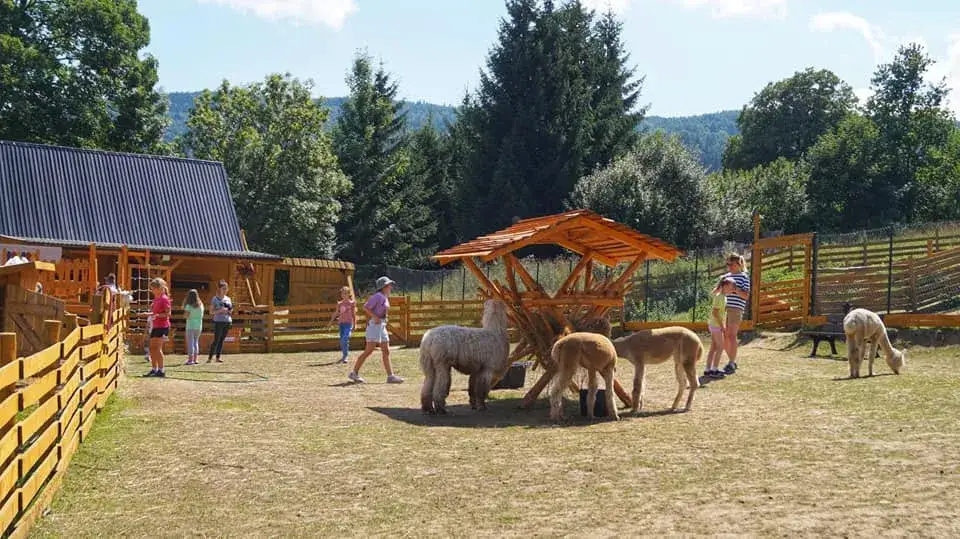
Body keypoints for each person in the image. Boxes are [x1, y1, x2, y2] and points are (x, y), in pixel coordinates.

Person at [348, 276, 403, 384]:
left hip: (381, 326)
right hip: (375, 325)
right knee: (369, 350)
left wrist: (383, 319)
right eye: (389, 285)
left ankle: (390, 376)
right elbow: (366, 307)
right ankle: (354, 373)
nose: (391, 287)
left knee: (386, 351)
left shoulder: (384, 296)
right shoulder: (378, 296)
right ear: (383, 287)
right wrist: (375, 317)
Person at [721, 253, 751, 375]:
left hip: (736, 308)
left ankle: (731, 363)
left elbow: (746, 296)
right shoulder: (725, 276)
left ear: (739, 264)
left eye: (731, 264)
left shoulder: (744, 277)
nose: (729, 267)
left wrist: (734, 290)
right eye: (728, 264)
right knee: (725, 337)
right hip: (723, 308)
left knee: (732, 335)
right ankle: (731, 361)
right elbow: (719, 292)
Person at [705, 277, 735, 379]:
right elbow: (715, 312)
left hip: (715, 325)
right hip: (716, 326)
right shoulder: (720, 297)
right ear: (724, 286)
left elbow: (720, 313)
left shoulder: (723, 297)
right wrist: (722, 326)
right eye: (731, 287)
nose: (732, 290)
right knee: (720, 347)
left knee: (713, 348)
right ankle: (714, 370)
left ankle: (708, 370)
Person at [143, 278, 172, 378]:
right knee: (152, 348)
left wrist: (157, 315)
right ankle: (154, 369)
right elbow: (156, 312)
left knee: (157, 348)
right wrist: (150, 314)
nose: (152, 291)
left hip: (163, 326)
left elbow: (168, 313)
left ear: (159, 288)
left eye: (153, 289)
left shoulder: (164, 299)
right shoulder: (156, 298)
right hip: (156, 325)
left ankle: (161, 370)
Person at [329, 286, 357, 364]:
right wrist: (331, 321)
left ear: (348, 294)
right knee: (342, 340)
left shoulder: (352, 303)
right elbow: (336, 313)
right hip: (341, 323)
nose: (343, 295)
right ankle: (344, 355)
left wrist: (355, 324)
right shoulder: (339, 303)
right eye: (342, 293)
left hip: (348, 323)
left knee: (345, 338)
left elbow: (354, 314)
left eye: (345, 293)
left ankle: (346, 356)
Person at [208, 280, 233, 363]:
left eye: (226, 288)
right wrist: (220, 310)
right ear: (219, 289)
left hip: (227, 321)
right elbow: (211, 312)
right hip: (218, 321)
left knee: (222, 340)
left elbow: (230, 310)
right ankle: (210, 358)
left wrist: (229, 311)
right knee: (216, 339)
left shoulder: (228, 299)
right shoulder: (214, 299)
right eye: (224, 288)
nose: (225, 290)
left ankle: (218, 357)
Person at [183, 289, 204, 366]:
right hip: (199, 325)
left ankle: (190, 360)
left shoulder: (189, 306)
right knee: (196, 342)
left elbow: (186, 316)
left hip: (190, 325)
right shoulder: (201, 305)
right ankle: (195, 359)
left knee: (190, 343)